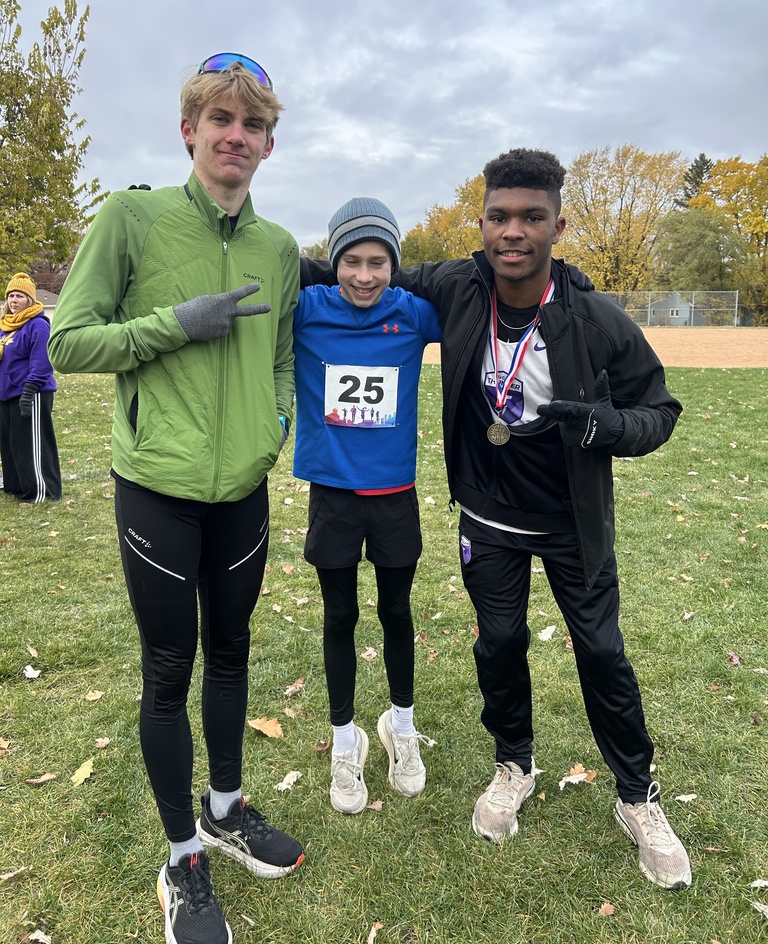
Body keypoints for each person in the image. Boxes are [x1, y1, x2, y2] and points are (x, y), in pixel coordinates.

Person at [49, 53, 304, 944]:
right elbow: (67, 345)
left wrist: (276, 420)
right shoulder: (132, 218)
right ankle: (180, 860)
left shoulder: (278, 248)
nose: (236, 136)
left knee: (232, 653)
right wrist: (172, 326)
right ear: (188, 129)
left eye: (253, 125)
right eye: (220, 120)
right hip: (156, 489)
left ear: (270, 145)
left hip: (244, 489)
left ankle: (225, 809)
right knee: (171, 668)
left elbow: (280, 352)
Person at [395, 148, 691, 890]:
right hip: (488, 517)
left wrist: (607, 426)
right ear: (483, 222)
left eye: (531, 217)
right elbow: (366, 266)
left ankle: (637, 797)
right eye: (499, 216)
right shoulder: (458, 289)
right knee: (498, 644)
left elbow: (660, 411)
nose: (513, 231)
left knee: (601, 655)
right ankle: (514, 764)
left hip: (572, 525)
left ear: (559, 223)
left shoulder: (595, 318)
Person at [294, 198, 441, 815]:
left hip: (394, 496)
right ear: (333, 264)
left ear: (394, 266)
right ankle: (342, 737)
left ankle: (400, 726)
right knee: (339, 616)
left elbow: (475, 296)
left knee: (396, 611)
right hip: (333, 494)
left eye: (377, 262)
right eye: (350, 261)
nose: (363, 275)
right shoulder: (306, 311)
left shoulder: (413, 315)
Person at [0, 272, 61, 503]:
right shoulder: (5, 326)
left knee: (30, 444)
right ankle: (16, 486)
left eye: (19, 296)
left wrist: (29, 391)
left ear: (30, 299)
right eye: (11, 296)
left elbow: (42, 362)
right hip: (5, 394)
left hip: (31, 393)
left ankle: (41, 490)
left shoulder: (38, 325)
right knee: (11, 443)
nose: (13, 300)